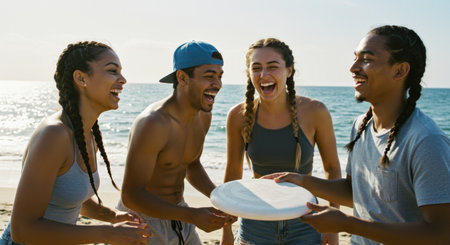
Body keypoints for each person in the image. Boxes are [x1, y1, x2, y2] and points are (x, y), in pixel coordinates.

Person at [265, 25, 450, 244]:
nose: (353, 68)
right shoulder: (361, 125)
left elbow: (441, 233)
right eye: (355, 58)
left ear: (399, 71)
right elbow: (354, 192)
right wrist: (303, 181)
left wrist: (347, 224)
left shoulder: (426, 141)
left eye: (367, 59)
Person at [0, 41, 151, 245]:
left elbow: (71, 197)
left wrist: (114, 216)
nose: (122, 80)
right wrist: (108, 233)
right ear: (81, 78)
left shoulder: (87, 134)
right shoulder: (54, 135)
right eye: (112, 71)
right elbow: (23, 230)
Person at [222, 38, 342, 245]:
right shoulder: (238, 115)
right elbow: (233, 173)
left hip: (306, 219)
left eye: (273, 67)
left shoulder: (315, 111)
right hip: (255, 218)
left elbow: (331, 168)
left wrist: (333, 228)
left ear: (289, 70)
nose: (264, 75)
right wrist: (226, 230)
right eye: (256, 68)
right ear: (249, 73)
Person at [118, 40, 233, 245]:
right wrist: (191, 215)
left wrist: (219, 198)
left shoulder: (203, 116)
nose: (217, 84)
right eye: (209, 76)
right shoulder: (153, 123)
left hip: (180, 215)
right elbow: (131, 195)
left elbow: (191, 164)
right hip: (142, 222)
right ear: (182, 77)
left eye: (219, 76)